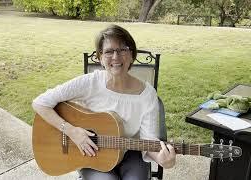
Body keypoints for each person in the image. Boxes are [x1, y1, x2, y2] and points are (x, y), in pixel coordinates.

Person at [32, 24, 176, 180]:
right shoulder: (90, 82)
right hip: (90, 153)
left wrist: (163, 160)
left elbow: (149, 141)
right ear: (100, 58)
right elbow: (40, 103)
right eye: (109, 51)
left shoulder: (147, 95)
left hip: (130, 153)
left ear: (132, 54)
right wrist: (72, 131)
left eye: (122, 49)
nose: (116, 57)